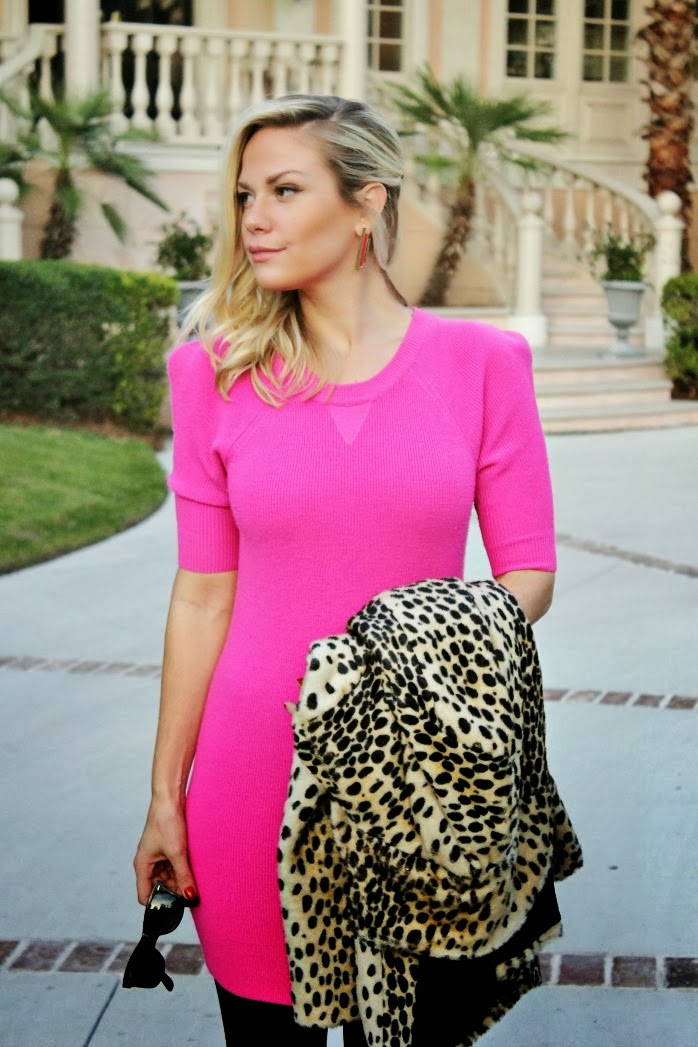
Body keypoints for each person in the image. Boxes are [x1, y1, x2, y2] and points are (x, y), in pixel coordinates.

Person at [133, 94, 557, 1046]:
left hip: (418, 779)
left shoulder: (483, 363)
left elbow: (529, 570)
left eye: (285, 190)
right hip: (252, 770)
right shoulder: (212, 374)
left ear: (366, 204)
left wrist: (411, 646)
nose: (255, 218)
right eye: (246, 195)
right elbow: (201, 598)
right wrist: (165, 795)